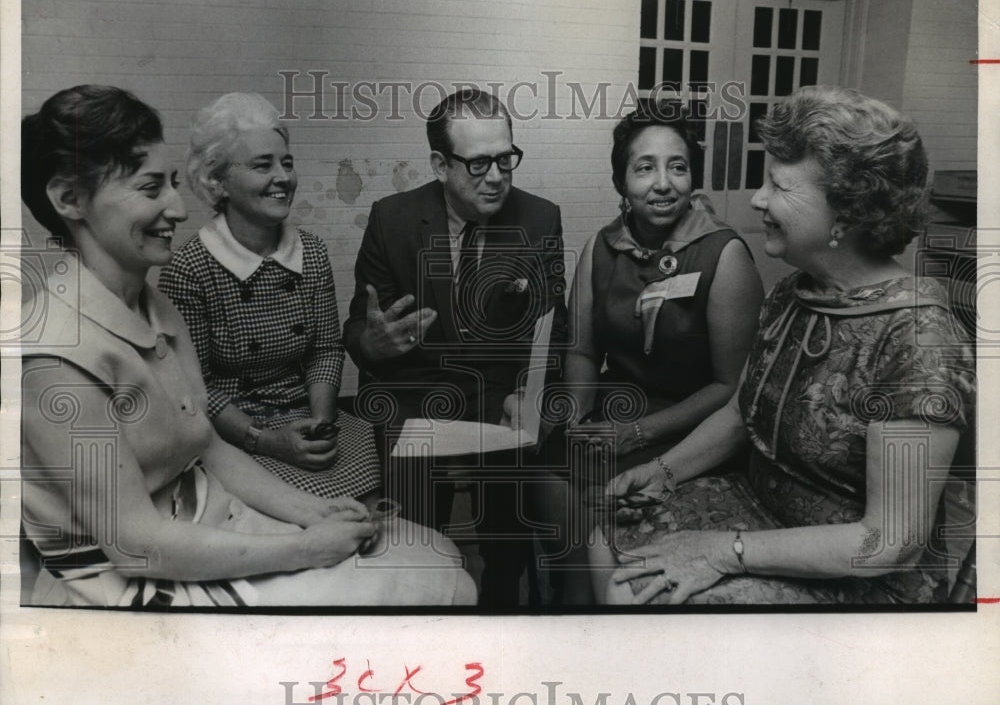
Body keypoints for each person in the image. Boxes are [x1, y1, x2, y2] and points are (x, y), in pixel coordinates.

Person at [19, 85, 475, 607]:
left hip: (204, 516)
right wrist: (304, 549)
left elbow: (207, 446)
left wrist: (312, 512)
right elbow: (135, 545)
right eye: (150, 189)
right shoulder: (53, 360)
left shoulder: (149, 304)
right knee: (443, 588)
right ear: (69, 199)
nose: (177, 207)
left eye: (171, 183)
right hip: (140, 577)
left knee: (439, 555)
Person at [593, 85, 975, 605]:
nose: (758, 199)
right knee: (600, 530)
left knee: (634, 595)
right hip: (757, 518)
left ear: (848, 209)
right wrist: (663, 472)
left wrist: (720, 551)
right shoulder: (792, 294)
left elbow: (891, 542)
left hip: (859, 580)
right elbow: (740, 413)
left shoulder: (918, 340)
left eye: (779, 186)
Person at [343, 88, 567, 608]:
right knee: (417, 536)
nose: (496, 176)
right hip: (416, 392)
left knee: (509, 514)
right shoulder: (391, 218)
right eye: (479, 163)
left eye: (506, 159)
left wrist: (529, 394)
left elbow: (549, 333)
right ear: (441, 164)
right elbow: (357, 329)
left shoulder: (539, 220)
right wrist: (374, 344)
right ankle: (423, 600)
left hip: (498, 394)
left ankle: (500, 601)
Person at [536, 100, 764, 603]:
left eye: (677, 167)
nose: (663, 183)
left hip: (694, 423)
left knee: (605, 499)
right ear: (621, 182)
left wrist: (636, 432)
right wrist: (575, 417)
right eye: (645, 168)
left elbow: (733, 388)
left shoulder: (723, 254)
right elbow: (582, 352)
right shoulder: (600, 247)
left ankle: (610, 605)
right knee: (549, 471)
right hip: (616, 408)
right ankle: (573, 606)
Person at [159, 93, 380, 501]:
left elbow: (326, 350)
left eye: (287, 162)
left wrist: (321, 424)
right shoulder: (190, 270)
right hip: (233, 436)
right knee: (315, 520)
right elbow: (196, 388)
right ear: (217, 181)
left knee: (372, 509)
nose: (283, 177)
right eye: (263, 165)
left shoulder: (311, 252)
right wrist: (267, 441)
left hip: (307, 417)